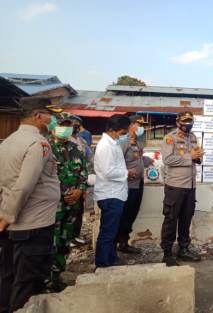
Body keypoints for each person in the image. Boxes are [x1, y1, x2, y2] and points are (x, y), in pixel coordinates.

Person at [0, 96, 62, 313]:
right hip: (33, 223)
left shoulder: (8, 141)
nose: (53, 120)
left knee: (8, 276)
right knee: (28, 282)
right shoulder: (38, 143)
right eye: (50, 116)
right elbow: (24, 185)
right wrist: (7, 215)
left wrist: (5, 215)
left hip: (14, 222)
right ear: (38, 116)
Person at [47, 115, 88, 291]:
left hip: (73, 206)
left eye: (69, 126)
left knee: (65, 242)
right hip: (55, 206)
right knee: (52, 242)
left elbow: (84, 172)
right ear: (53, 128)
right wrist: (65, 193)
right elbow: (47, 177)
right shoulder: (46, 148)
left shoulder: (75, 148)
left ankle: (56, 277)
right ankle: (45, 280)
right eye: (63, 126)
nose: (67, 129)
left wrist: (80, 190)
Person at [160, 112, 203, 266]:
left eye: (190, 121)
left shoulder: (193, 137)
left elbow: (195, 157)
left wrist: (197, 157)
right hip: (175, 186)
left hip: (190, 186)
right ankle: (167, 253)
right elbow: (168, 160)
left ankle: (183, 249)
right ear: (178, 122)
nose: (188, 124)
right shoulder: (170, 138)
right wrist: (189, 156)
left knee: (186, 219)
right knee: (171, 220)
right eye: (185, 121)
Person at [93, 114, 132, 268]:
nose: (124, 136)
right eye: (123, 133)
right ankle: (103, 265)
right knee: (107, 233)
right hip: (110, 195)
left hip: (116, 194)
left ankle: (110, 259)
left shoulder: (113, 143)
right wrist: (127, 173)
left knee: (112, 231)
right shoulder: (105, 146)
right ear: (112, 130)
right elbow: (108, 172)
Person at [116, 115, 153, 254]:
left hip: (138, 184)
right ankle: (118, 243)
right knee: (124, 215)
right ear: (131, 125)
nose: (141, 127)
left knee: (131, 214)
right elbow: (116, 162)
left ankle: (124, 242)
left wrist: (146, 160)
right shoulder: (122, 141)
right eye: (138, 124)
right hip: (127, 186)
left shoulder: (136, 142)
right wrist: (126, 172)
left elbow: (135, 159)